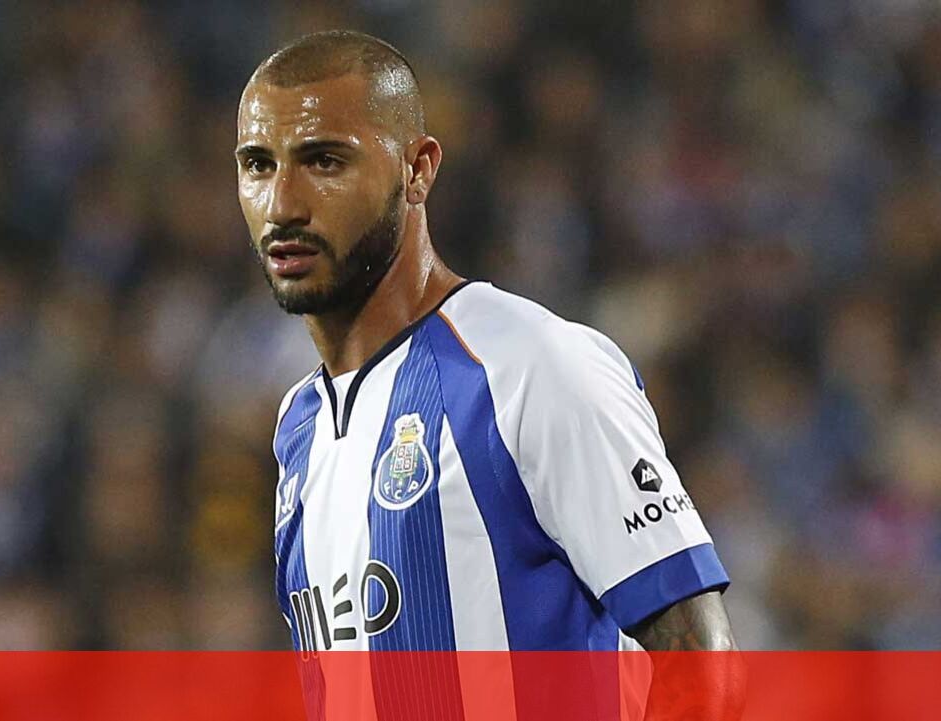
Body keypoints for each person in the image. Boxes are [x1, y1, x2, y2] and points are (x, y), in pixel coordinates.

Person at [236, 29, 740, 718]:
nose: (282, 204)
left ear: (417, 170)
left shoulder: (531, 366)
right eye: (258, 165)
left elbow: (700, 662)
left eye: (325, 161)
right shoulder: (300, 426)